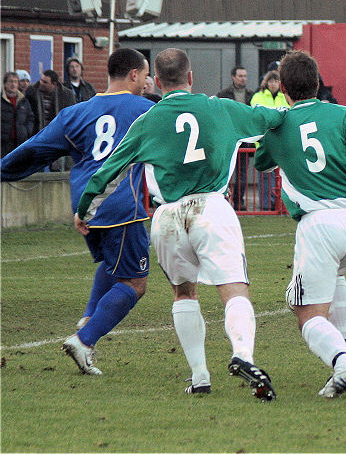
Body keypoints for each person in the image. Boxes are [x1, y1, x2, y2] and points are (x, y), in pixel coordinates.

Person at [76, 48, 285, 400]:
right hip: (211, 208)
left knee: (184, 292)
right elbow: (271, 119)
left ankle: (200, 375)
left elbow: (108, 172)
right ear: (190, 78)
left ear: (157, 82)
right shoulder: (221, 108)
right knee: (233, 288)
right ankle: (242, 355)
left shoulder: (148, 120)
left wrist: (85, 210)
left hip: (168, 216)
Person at [253, 50, 346, 398]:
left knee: (306, 314)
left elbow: (260, 163)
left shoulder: (280, 126)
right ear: (319, 83)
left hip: (320, 227)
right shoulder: (344, 115)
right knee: (334, 279)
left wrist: (274, 123)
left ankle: (342, 363)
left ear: (285, 92)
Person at [1, 48, 155, 376]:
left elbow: (35, 149)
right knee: (135, 282)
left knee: (111, 266)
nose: (146, 82)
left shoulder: (76, 113)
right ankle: (84, 339)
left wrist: (2, 169)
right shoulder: (146, 110)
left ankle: (88, 319)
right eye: (144, 75)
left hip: (85, 207)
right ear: (132, 75)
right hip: (121, 206)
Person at [250, 70, 290, 210]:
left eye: (275, 81)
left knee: (280, 175)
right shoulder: (257, 96)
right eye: (270, 81)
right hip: (263, 141)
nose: (273, 84)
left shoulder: (284, 97)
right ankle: (266, 205)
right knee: (265, 176)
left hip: (281, 142)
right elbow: (257, 116)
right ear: (265, 82)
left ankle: (279, 204)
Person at [217, 66, 254, 210]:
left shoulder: (252, 95)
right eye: (240, 75)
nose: (243, 78)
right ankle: (223, 200)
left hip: (245, 139)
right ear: (233, 77)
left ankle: (239, 201)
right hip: (228, 138)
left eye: (245, 75)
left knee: (242, 173)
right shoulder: (223, 94)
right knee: (226, 172)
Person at [1, 71, 35, 157]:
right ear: (5, 84)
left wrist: (26, 131)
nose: (13, 84)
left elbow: (30, 118)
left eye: (15, 81)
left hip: (20, 142)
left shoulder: (23, 101)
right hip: (4, 143)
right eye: (10, 81)